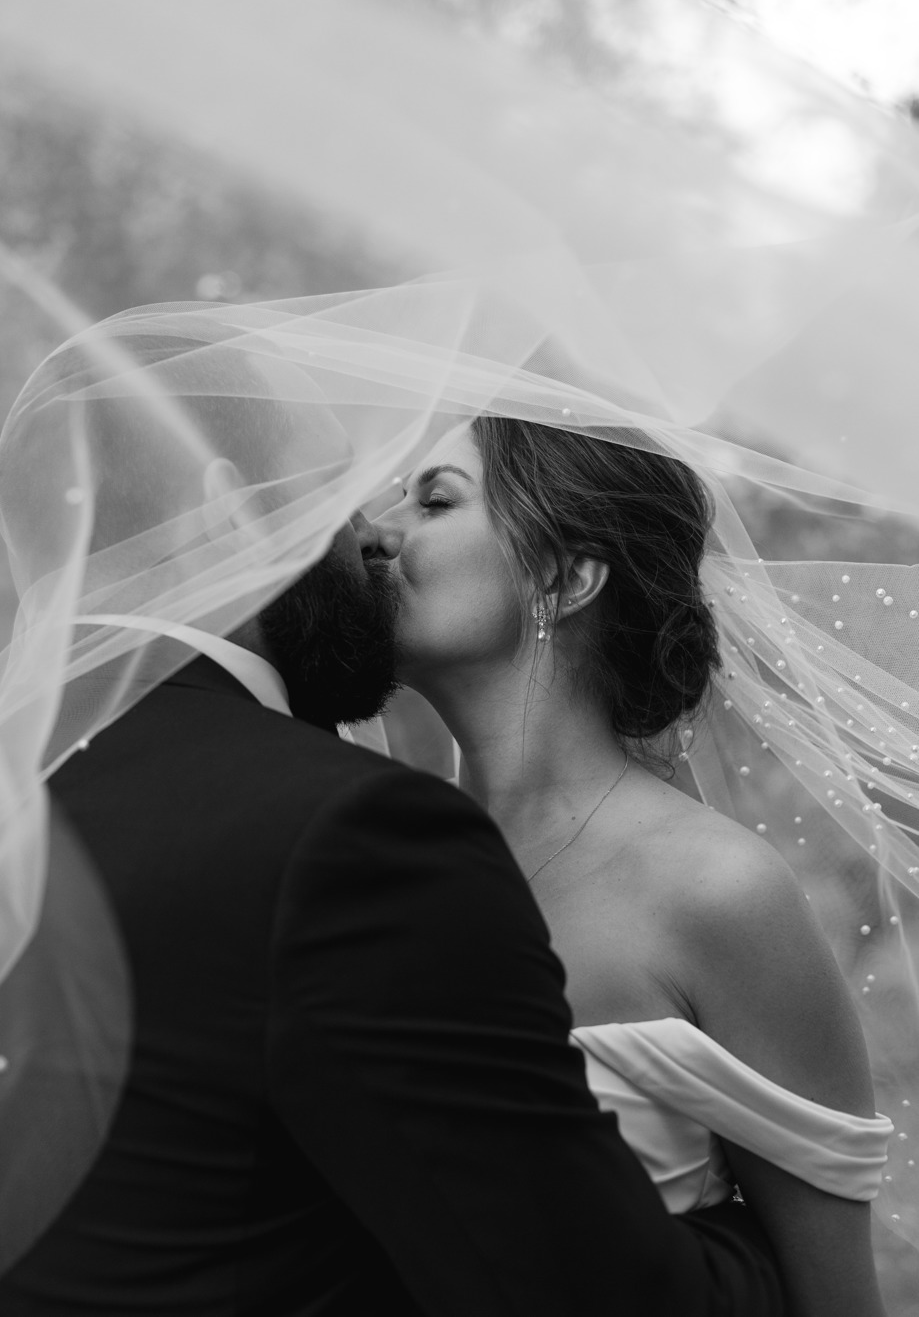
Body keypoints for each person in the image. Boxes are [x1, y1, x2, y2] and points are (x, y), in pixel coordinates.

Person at [0, 315, 787, 1315]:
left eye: (429, 496)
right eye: (338, 491)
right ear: (226, 515)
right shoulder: (345, 837)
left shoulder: (36, 780)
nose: (374, 534)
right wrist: (740, 1230)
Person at [373, 416, 895, 1317]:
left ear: (567, 577)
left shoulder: (718, 892)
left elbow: (834, 1298)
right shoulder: (370, 858)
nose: (375, 533)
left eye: (434, 501)